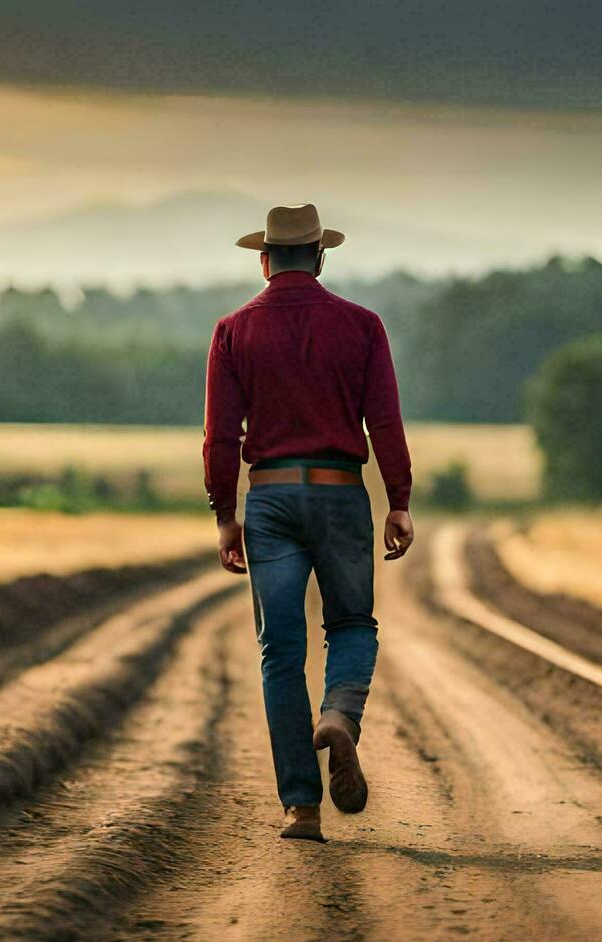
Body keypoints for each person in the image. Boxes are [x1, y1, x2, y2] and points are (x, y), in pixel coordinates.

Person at [203, 203, 414, 843]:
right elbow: (384, 423)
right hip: (340, 493)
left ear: (265, 261)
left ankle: (301, 807)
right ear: (320, 256)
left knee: (280, 652)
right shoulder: (364, 326)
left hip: (268, 500)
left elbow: (218, 437)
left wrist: (225, 513)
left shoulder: (233, 330)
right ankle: (342, 717)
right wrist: (399, 498)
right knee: (351, 622)